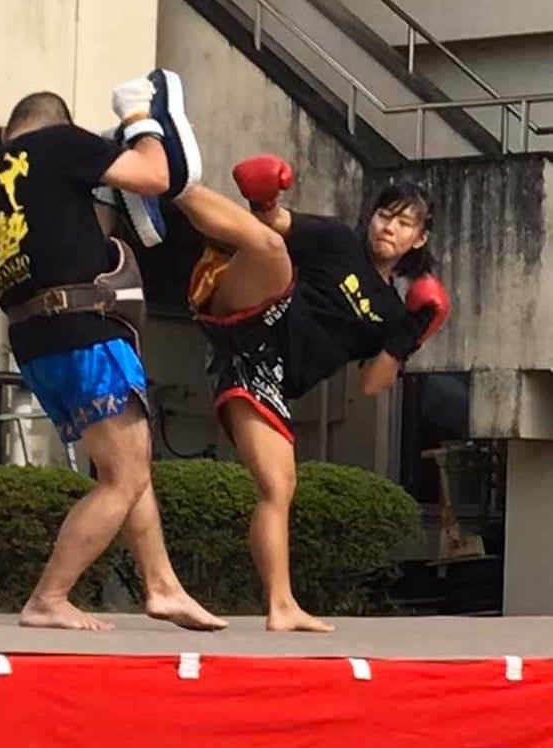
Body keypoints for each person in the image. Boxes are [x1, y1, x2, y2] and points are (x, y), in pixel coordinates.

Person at [118, 148, 449, 632]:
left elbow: (373, 383)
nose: (389, 228)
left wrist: (413, 335)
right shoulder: (337, 240)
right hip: (252, 311)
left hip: (259, 373)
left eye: (404, 223)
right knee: (268, 244)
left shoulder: (392, 314)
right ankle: (168, 182)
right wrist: (265, 199)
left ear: (418, 239)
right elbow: (271, 224)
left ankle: (281, 605)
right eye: (385, 215)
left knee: (279, 487)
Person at [0, 70, 227, 632]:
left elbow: (78, 230)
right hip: (83, 328)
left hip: (34, 340)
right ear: (57, 124)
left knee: (128, 463)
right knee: (124, 476)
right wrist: (139, 118)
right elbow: (155, 175)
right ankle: (49, 597)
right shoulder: (59, 143)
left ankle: (161, 585)